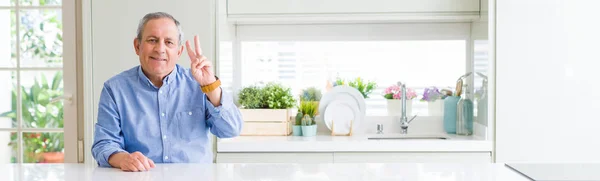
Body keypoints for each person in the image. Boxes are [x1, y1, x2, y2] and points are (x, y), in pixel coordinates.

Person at [91, 12, 243, 172]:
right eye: (152, 40)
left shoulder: (198, 84)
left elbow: (231, 129)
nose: (160, 49)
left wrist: (211, 86)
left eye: (169, 42)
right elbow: (104, 144)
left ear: (179, 51)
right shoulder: (115, 89)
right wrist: (124, 159)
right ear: (137, 46)